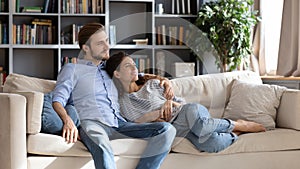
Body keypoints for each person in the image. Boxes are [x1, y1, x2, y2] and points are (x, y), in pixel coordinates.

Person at [51, 23, 176, 169]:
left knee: (167, 130)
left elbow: (138, 75)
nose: (107, 46)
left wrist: (165, 80)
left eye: (107, 41)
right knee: (103, 147)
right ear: (86, 48)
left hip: (120, 124)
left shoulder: (111, 69)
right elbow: (58, 100)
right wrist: (68, 121)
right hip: (92, 123)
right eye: (100, 43)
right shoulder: (72, 69)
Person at [105, 52, 267, 153]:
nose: (134, 68)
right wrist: (155, 114)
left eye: (134, 64)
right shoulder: (121, 102)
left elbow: (183, 105)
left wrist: (169, 104)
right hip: (177, 127)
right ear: (117, 74)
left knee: (200, 124)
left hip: (189, 113)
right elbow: (135, 124)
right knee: (210, 144)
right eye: (128, 66)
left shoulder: (153, 84)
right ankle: (235, 132)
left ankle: (239, 124)